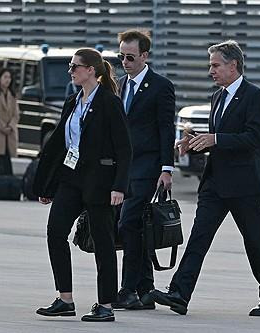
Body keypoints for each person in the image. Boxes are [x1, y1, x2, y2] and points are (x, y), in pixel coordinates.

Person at [150, 40, 260, 317]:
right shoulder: (217, 96)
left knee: (255, 241)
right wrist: (195, 142)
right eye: (211, 65)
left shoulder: (253, 96)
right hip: (215, 182)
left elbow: (253, 139)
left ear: (233, 66)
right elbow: (218, 139)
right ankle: (179, 294)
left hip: (243, 184)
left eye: (215, 65)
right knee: (198, 238)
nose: (211, 70)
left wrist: (215, 139)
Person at [33, 48, 132, 322]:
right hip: (71, 178)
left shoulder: (110, 102)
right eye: (70, 66)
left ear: (91, 70)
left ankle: (106, 305)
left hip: (100, 183)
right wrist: (46, 186)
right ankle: (65, 299)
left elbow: (124, 149)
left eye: (75, 66)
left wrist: (119, 186)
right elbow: (59, 146)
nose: (71, 71)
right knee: (55, 232)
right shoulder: (72, 101)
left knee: (103, 243)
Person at [112, 29, 176, 311]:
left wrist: (166, 168)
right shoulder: (119, 85)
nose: (124, 62)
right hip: (123, 169)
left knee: (128, 223)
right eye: (121, 56)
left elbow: (166, 129)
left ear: (145, 56)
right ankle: (145, 288)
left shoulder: (161, 86)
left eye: (130, 57)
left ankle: (127, 288)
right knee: (135, 227)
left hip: (148, 167)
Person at [0, 68, 19, 175]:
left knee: (8, 161)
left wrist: (11, 126)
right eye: (5, 77)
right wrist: (2, 127)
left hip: (10, 132)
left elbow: (16, 114)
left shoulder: (12, 95)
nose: (8, 80)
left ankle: (7, 187)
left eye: (9, 77)